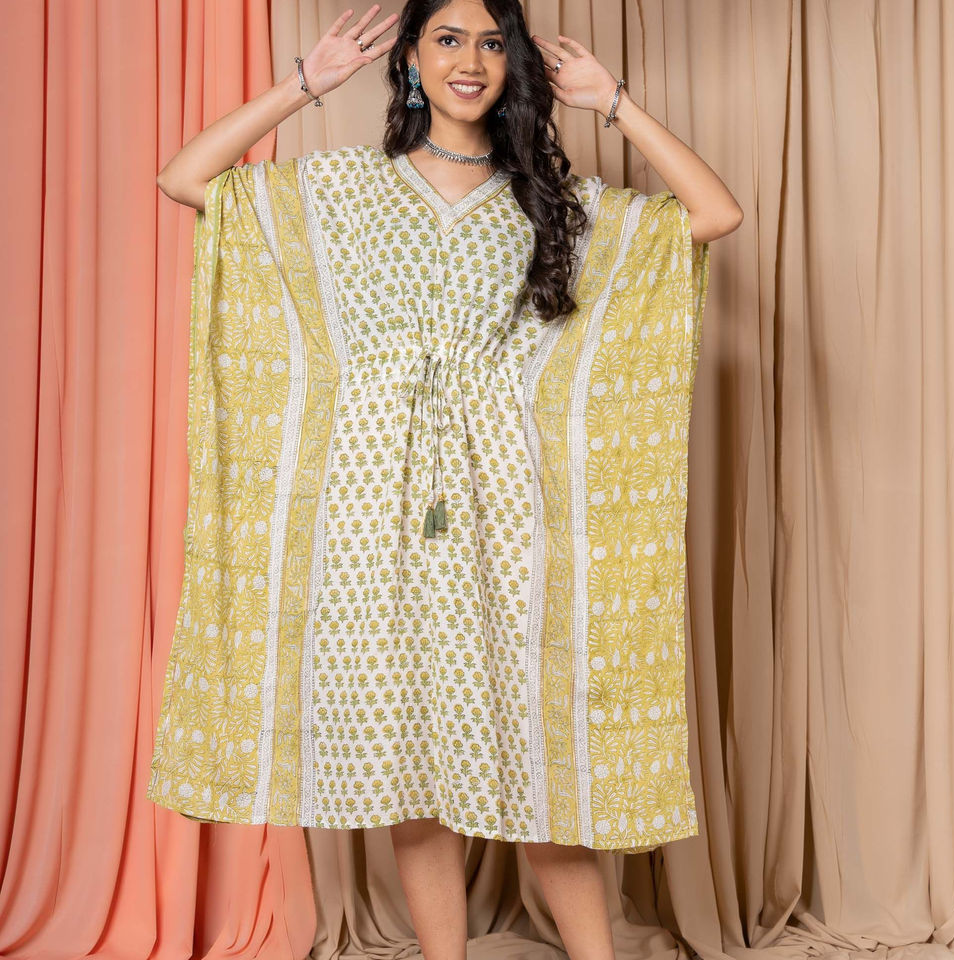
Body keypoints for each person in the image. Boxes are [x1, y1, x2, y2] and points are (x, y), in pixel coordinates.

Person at [149, 1, 742, 957]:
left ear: (514, 66)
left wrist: (614, 102)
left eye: (493, 42)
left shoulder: (547, 199)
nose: (472, 60)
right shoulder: (346, 188)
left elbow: (715, 216)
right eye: (448, 39)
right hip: (370, 509)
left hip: (503, 510)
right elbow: (185, 178)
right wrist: (304, 85)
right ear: (412, 62)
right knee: (407, 768)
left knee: (533, 763)